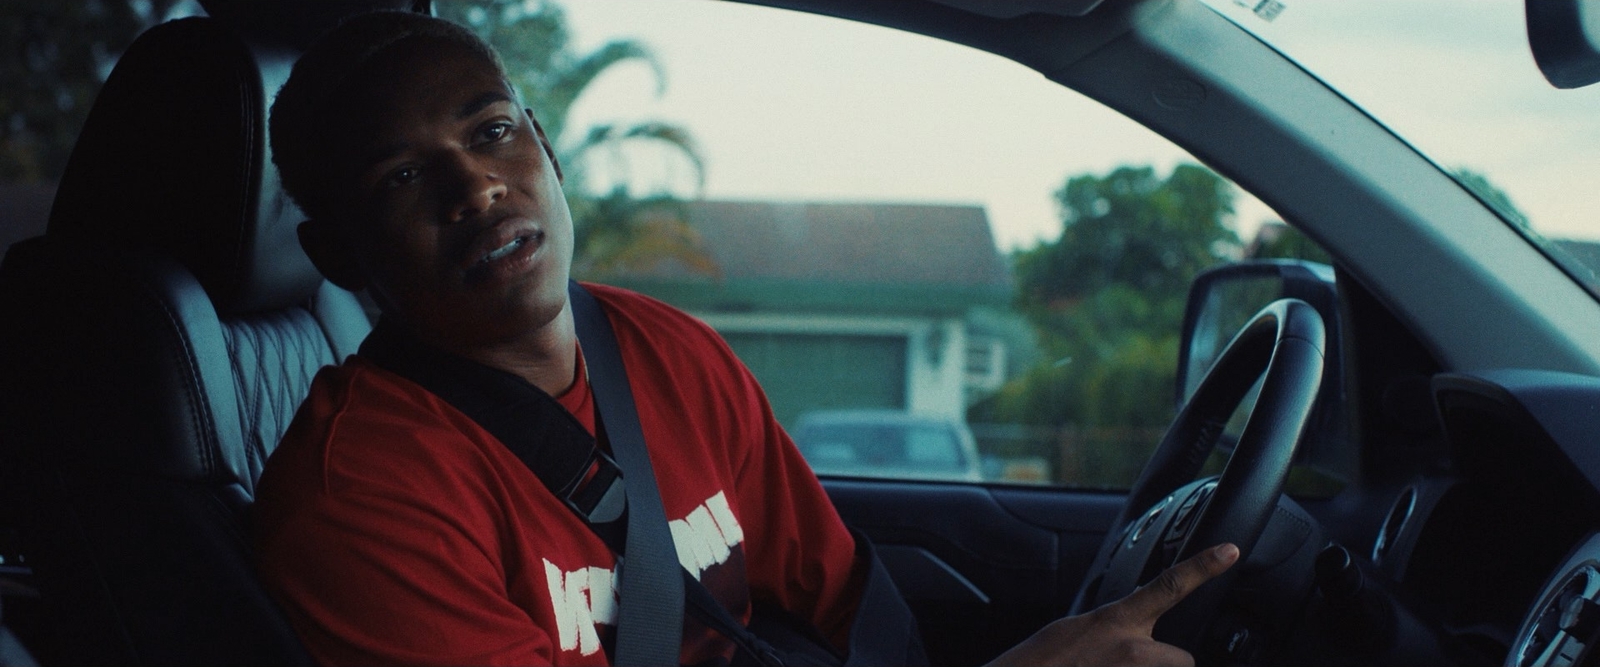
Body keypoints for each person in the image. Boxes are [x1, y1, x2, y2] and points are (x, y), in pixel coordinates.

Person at [251, 10, 1239, 666]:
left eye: (492, 130)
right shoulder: (358, 495)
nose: (476, 186)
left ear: (545, 148)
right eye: (403, 179)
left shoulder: (664, 353)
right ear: (339, 256)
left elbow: (849, 601)